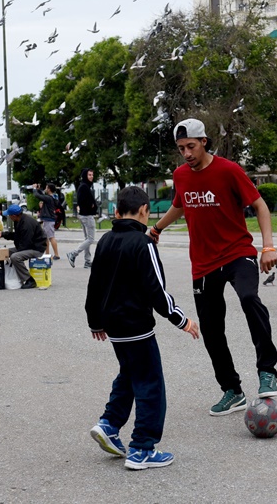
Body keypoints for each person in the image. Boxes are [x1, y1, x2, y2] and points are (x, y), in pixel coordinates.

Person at [148, 118, 277, 416]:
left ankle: (267, 370)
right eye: (181, 148)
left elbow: (260, 206)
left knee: (249, 298)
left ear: (204, 142)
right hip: (203, 263)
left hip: (237, 253)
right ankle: (232, 390)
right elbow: (180, 205)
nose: (186, 154)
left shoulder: (229, 170)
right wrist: (156, 229)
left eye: (191, 146)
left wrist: (268, 246)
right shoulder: (181, 175)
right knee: (211, 328)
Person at [85, 186, 200, 470]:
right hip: (137, 325)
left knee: (130, 373)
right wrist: (181, 320)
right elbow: (156, 291)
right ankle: (142, 448)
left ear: (116, 211)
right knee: (150, 383)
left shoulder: (105, 240)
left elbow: (94, 285)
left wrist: (95, 320)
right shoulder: (143, 243)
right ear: (145, 211)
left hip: (113, 326)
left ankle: (109, 423)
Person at [1, 204, 44, 289]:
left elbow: (25, 245)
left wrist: (16, 252)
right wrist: (3, 234)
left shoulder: (26, 224)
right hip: (28, 246)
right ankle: (2, 276)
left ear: (13, 216)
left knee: (15, 257)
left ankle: (29, 279)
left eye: (9, 215)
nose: (8, 217)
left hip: (36, 249)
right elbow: (18, 236)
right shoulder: (19, 220)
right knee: (4, 252)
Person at [68, 168, 98, 269]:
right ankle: (73, 253)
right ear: (85, 175)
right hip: (87, 216)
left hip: (84, 215)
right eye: (89, 175)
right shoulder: (84, 187)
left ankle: (87, 261)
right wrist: (92, 205)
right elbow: (85, 202)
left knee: (87, 239)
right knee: (90, 239)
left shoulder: (84, 186)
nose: (91, 177)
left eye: (92, 175)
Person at [31, 183, 61, 260]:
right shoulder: (52, 197)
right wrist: (38, 189)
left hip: (49, 219)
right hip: (48, 219)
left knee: (51, 237)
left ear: (49, 189)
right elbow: (42, 195)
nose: (45, 189)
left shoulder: (49, 198)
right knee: (46, 238)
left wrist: (34, 189)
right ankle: (47, 254)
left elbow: (38, 196)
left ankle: (56, 254)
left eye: (46, 187)